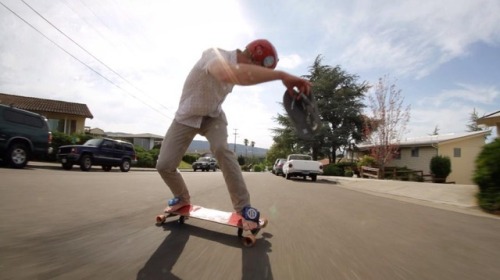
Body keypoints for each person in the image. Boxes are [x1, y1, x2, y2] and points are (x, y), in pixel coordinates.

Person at [156, 39, 312, 230]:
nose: (255, 75)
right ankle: (181, 197)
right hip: (185, 117)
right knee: (164, 165)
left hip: (214, 117)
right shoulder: (214, 55)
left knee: (222, 149)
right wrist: (281, 76)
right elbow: (230, 74)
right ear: (251, 55)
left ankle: (244, 208)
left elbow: (243, 76)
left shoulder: (239, 66)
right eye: (257, 69)